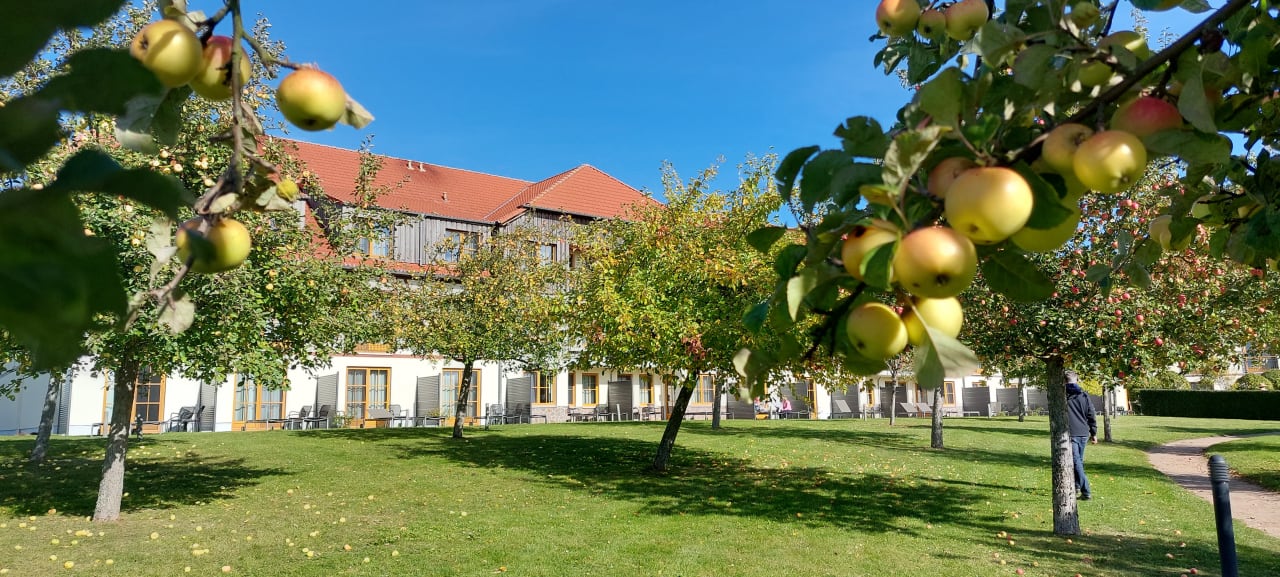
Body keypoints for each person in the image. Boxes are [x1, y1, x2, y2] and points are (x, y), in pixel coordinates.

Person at [1065, 370, 1098, 500]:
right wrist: (1093, 432)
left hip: (1072, 433)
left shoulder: (1063, 395)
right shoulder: (1084, 395)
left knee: (1077, 462)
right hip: (1084, 433)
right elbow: (1091, 414)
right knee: (1078, 461)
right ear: (1077, 380)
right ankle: (1077, 486)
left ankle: (1086, 491)